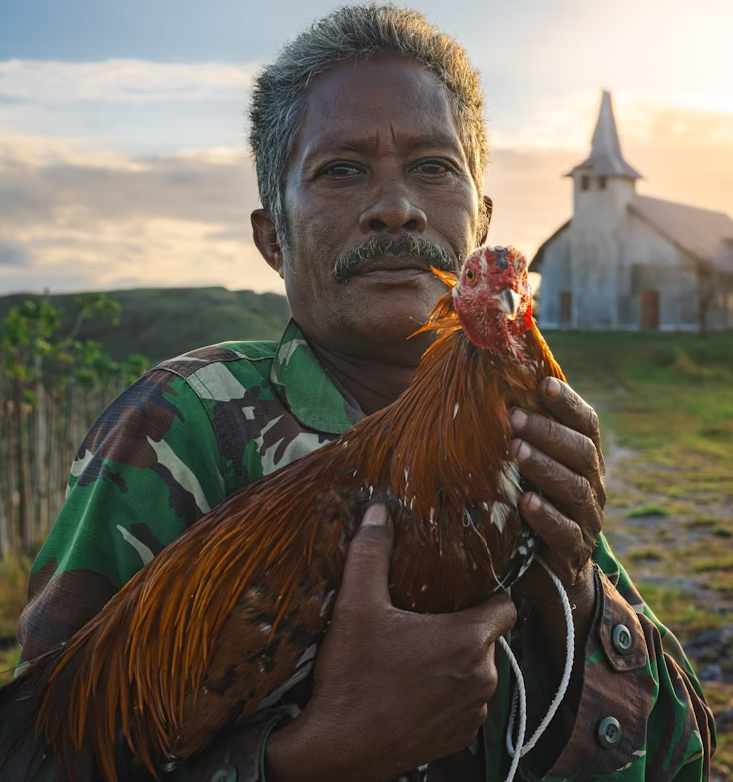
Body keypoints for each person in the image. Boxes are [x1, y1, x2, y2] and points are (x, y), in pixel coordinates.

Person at [16, 4, 714, 781]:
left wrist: (576, 591)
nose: (396, 206)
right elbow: (44, 752)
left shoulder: (520, 434)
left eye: (432, 166)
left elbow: (679, 759)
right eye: (340, 170)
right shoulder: (182, 422)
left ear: (480, 220)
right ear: (271, 236)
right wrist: (316, 758)